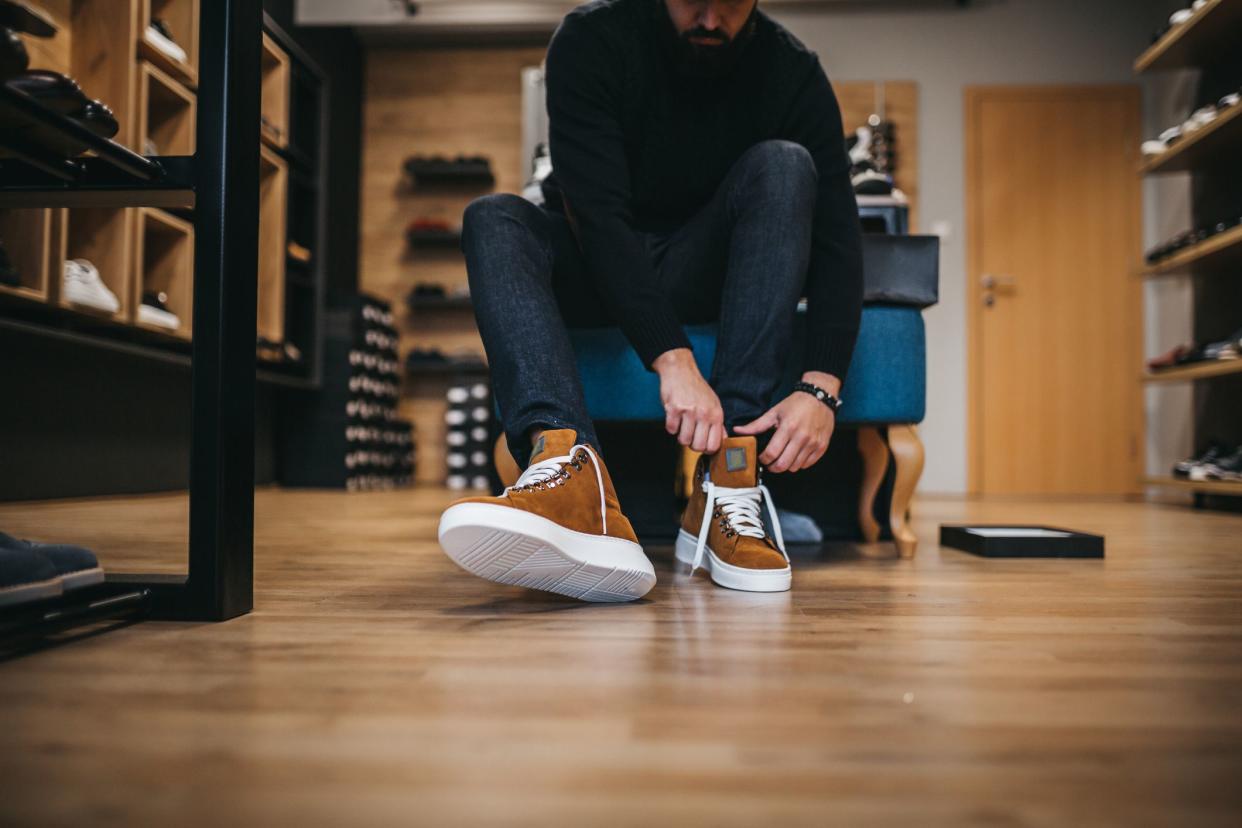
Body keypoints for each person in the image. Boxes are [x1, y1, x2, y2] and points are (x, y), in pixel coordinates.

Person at [437, 0, 863, 601]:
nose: (712, 20)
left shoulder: (792, 72)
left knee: (786, 166)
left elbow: (840, 238)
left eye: (731, 4)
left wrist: (822, 387)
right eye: (695, 1)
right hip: (597, 259)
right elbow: (598, 217)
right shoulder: (594, 39)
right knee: (493, 218)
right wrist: (672, 357)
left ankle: (729, 483)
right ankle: (568, 472)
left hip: (705, 265)